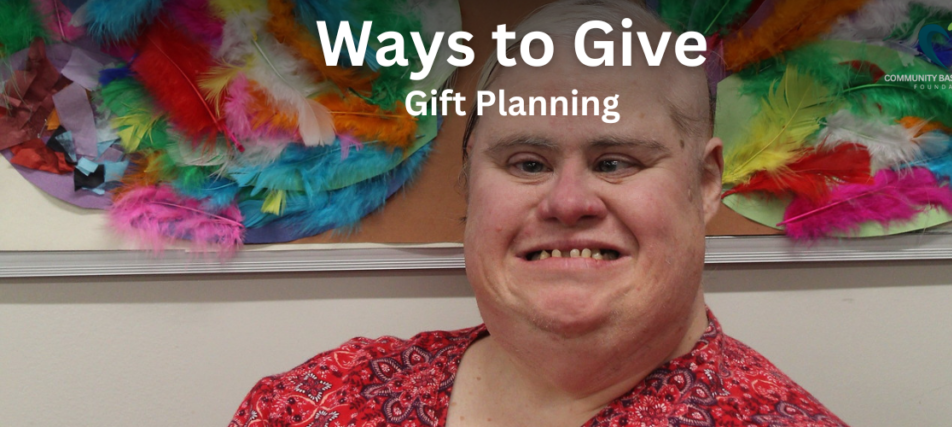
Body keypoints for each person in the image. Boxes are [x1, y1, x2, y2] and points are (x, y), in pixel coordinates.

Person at [228, 1, 848, 426]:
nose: (568, 201)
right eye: (527, 163)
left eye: (615, 161)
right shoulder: (316, 402)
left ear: (706, 182)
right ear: (471, 181)